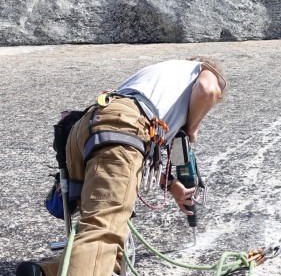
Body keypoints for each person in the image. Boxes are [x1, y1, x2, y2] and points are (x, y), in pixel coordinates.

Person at [17, 56, 226, 276]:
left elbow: (135, 157)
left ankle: (46, 272)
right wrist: (192, 127)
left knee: (106, 225)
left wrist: (172, 185)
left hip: (87, 129)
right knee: (103, 229)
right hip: (121, 128)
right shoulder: (203, 71)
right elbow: (207, 90)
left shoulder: (156, 78)